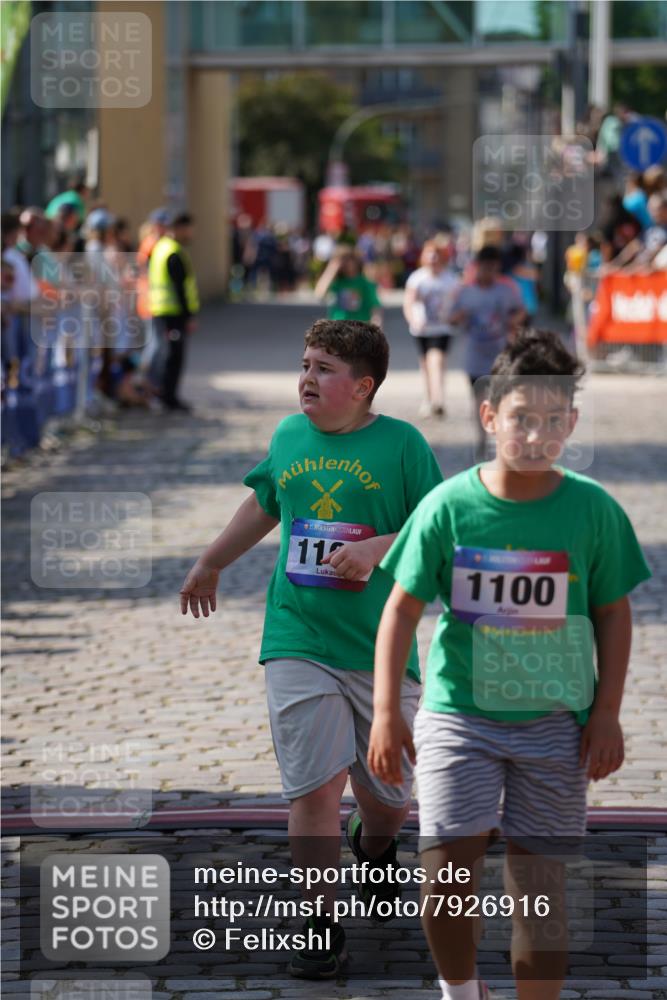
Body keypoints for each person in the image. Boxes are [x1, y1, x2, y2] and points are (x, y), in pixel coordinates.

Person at [368, 329, 651, 1000]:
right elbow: (400, 609)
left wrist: (606, 712)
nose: (536, 434)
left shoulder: (592, 510)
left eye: (554, 420)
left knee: (539, 889)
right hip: (457, 719)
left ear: (572, 423)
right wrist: (384, 710)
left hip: (555, 725)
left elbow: (612, 613)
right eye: (522, 417)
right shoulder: (448, 508)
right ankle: (460, 989)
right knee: (444, 872)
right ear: (489, 415)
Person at [180, 319, 442, 979]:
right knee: (315, 786)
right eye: (305, 363)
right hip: (297, 635)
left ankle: (374, 848)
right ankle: (320, 926)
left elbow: (440, 532)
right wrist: (211, 560)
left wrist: (377, 547)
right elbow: (266, 503)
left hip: (381, 646)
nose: (307, 377)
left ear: (362, 387)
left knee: (388, 798)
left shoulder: (403, 446)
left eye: (324, 368)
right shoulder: (288, 435)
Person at [449, 245, 525, 460]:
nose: (489, 273)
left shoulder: (506, 289)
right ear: (477, 267)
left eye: (493, 269)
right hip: (474, 355)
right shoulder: (465, 292)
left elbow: (521, 311)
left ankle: (504, 438)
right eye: (485, 268)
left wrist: (513, 320)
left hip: (500, 354)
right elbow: (449, 317)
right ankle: (482, 439)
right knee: (480, 401)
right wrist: (459, 316)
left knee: (502, 400)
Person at [148, 211, 199, 412]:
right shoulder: (173, 252)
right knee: (173, 357)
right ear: (178, 229)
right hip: (173, 313)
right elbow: (180, 287)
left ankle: (164, 395)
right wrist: (189, 316)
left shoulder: (161, 248)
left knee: (165, 353)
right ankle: (168, 398)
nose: (191, 234)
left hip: (161, 310)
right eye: (188, 229)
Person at [403, 240, 461, 418]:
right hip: (421, 328)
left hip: (442, 328)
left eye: (436, 254)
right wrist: (412, 320)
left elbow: (459, 302)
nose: (432, 258)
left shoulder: (450, 279)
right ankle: (429, 399)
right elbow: (409, 301)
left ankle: (438, 400)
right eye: (429, 254)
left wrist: (455, 318)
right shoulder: (417, 278)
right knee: (425, 364)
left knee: (436, 359)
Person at [315, 246, 382, 326]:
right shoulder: (337, 282)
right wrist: (332, 269)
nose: (346, 263)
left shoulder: (365, 283)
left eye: (348, 259)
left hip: (359, 328)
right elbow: (319, 293)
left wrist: (376, 328)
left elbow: (375, 308)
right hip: (337, 327)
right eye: (342, 260)